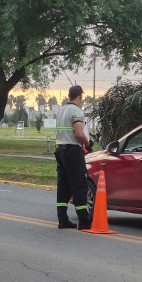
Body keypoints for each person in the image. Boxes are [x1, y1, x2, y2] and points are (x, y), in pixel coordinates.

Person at [54, 85, 92, 230]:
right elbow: (79, 134)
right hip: (72, 151)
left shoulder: (61, 110)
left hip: (60, 150)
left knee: (63, 186)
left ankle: (63, 220)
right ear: (80, 96)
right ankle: (83, 221)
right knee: (79, 185)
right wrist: (88, 144)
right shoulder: (76, 111)